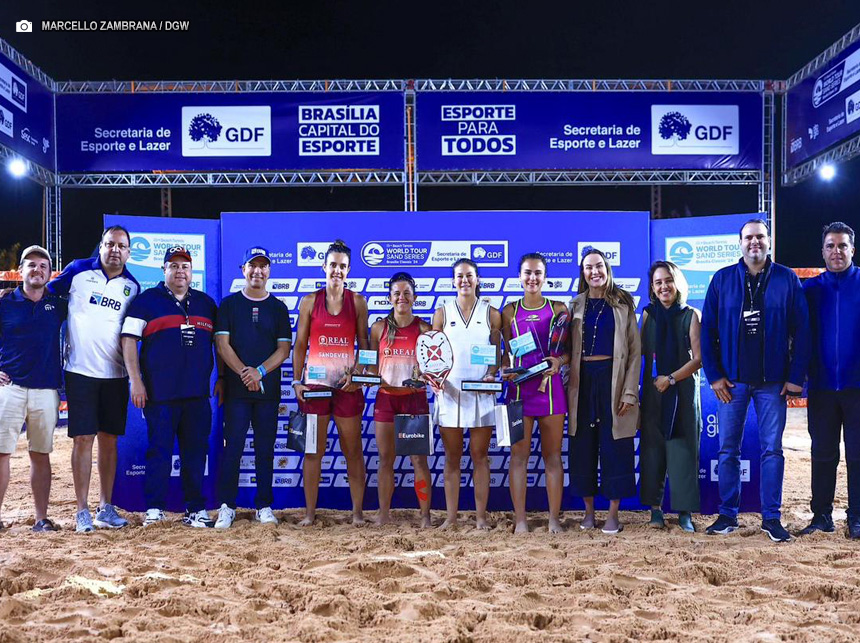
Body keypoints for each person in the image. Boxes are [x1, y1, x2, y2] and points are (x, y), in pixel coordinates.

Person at [701, 218, 809, 542]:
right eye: (749, 237)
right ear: (740, 243)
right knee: (727, 450)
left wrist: (795, 378)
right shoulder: (721, 280)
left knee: (772, 451)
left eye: (760, 237)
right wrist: (715, 375)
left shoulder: (787, 279)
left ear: (769, 241)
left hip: (773, 383)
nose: (754, 243)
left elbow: (802, 330)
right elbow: (707, 331)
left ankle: (772, 519)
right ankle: (727, 515)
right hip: (732, 383)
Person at [121, 246, 222, 528]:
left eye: (185, 266)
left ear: (192, 272)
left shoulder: (205, 304)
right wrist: (135, 380)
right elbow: (128, 340)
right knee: (159, 453)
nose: (180, 271)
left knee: (195, 454)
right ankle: (154, 508)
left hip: (197, 396)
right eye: (174, 265)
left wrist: (223, 379)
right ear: (164, 270)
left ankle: (195, 509)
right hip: (159, 395)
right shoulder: (146, 301)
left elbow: (220, 345)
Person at [48, 226, 140, 533]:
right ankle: (82, 510)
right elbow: (46, 296)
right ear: (100, 247)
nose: (115, 250)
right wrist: (17, 293)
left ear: (129, 252)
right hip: (80, 372)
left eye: (121, 246)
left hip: (115, 374)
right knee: (83, 439)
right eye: (110, 244)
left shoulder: (133, 286)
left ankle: (106, 508)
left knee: (109, 441)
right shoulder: (77, 271)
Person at [292, 240, 369, 526]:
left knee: (353, 451)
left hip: (346, 389)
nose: (337, 270)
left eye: (343, 266)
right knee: (313, 451)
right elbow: (300, 345)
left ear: (348, 270)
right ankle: (310, 514)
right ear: (324, 266)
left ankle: (358, 514)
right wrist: (297, 381)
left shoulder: (357, 302)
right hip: (314, 388)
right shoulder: (310, 301)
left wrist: (359, 374)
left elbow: (365, 345)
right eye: (333, 265)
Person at [213, 247, 292, 528]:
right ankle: (227, 506)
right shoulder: (229, 305)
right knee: (232, 447)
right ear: (243, 270)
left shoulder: (279, 308)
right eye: (252, 266)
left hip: (267, 394)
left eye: (263, 266)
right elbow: (222, 345)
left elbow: (284, 350)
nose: (258, 271)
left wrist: (259, 371)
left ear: (269, 271)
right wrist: (245, 374)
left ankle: (264, 505)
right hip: (237, 393)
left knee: (264, 450)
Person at [567, 248, 640, 534]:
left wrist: (629, 393)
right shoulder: (574, 306)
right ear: (583, 273)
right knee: (582, 445)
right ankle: (588, 512)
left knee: (616, 446)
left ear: (607, 269)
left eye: (599, 266)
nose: (594, 271)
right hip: (581, 382)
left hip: (614, 379)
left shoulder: (623, 304)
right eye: (588, 268)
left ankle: (612, 514)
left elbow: (635, 353)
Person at [501, 253, 569, 534]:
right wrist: (505, 368)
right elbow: (503, 354)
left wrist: (559, 362)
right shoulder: (508, 312)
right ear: (519, 276)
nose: (532, 278)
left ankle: (553, 519)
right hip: (518, 391)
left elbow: (567, 352)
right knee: (519, 457)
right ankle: (520, 521)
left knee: (552, 457)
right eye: (527, 273)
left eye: (538, 273)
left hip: (551, 392)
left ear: (545, 276)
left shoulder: (559, 309)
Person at [0, 246, 67, 532]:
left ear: (50, 273)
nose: (37, 270)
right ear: (21, 270)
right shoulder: (5, 303)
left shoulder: (59, 304)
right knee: (2, 453)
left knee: (40, 455)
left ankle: (41, 519)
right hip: (10, 388)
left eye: (43, 265)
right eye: (31, 265)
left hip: (46, 390)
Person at [432, 258, 501, 531]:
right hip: (449, 393)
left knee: (479, 456)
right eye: (459, 276)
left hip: (481, 393)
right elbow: (431, 354)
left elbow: (498, 352)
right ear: (452, 281)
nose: (464, 280)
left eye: (469, 275)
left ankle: (481, 518)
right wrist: (437, 380)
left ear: (477, 279)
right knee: (452, 457)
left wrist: (492, 373)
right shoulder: (442, 313)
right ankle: (451, 517)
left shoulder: (491, 313)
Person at [801, 222, 860, 539]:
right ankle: (821, 515)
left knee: (858, 455)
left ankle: (858, 518)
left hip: (858, 389)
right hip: (822, 389)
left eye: (842, 246)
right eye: (830, 246)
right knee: (823, 454)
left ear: (852, 249)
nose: (836, 251)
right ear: (822, 251)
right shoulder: (810, 290)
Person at [639, 261, 702, 533]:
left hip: (682, 390)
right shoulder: (647, 316)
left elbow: (698, 360)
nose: (664, 286)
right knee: (652, 449)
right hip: (654, 391)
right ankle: (655, 511)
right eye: (658, 282)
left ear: (677, 283)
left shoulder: (691, 315)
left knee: (683, 449)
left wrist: (672, 378)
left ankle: (684, 513)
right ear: (652, 288)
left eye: (668, 280)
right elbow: (637, 353)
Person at [367, 272, 433, 527]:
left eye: (407, 293)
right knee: (386, 459)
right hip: (386, 398)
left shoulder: (425, 329)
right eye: (397, 293)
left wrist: (427, 377)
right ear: (389, 297)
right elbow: (371, 366)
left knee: (419, 460)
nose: (402, 297)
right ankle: (384, 514)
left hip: (414, 400)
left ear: (414, 297)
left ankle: (425, 516)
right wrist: (365, 376)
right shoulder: (379, 328)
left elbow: (432, 368)